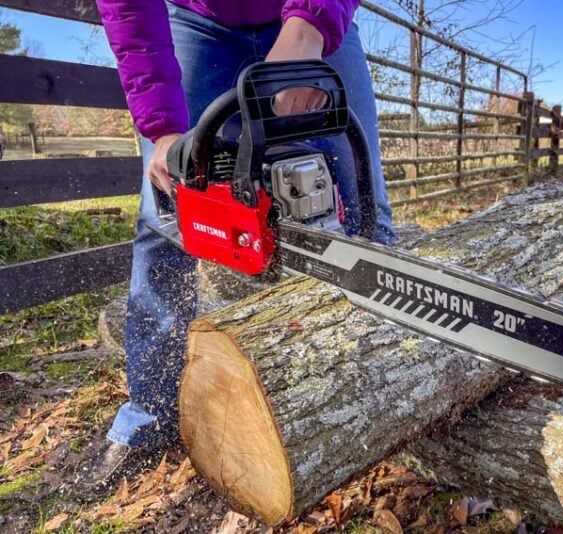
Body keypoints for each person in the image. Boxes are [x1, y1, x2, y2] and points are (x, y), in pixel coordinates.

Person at [82, 0, 396, 489]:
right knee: (164, 213)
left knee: (364, 203)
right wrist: (164, 129)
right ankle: (149, 413)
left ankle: (395, 377)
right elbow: (130, 13)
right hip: (194, 20)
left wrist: (309, 30)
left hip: (311, 10)